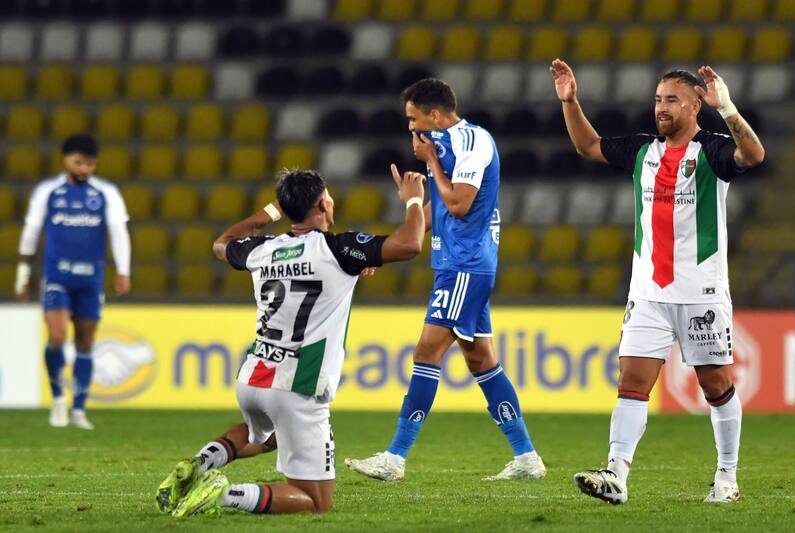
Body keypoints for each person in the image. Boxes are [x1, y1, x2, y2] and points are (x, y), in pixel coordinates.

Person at [550, 59, 765, 504]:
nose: (660, 108)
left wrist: (728, 109)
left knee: (716, 385)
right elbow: (588, 145)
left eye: (671, 100)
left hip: (700, 293)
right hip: (647, 292)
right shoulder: (642, 150)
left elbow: (755, 155)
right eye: (657, 100)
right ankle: (616, 474)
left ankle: (727, 477)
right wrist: (571, 101)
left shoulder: (714, 151)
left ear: (695, 104)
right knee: (632, 380)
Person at [158, 166, 427, 517]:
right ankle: (221, 495)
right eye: (327, 197)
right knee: (315, 500)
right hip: (298, 386)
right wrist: (414, 199)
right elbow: (409, 245)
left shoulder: (262, 249)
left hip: (254, 377)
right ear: (323, 206)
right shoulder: (339, 250)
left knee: (266, 437)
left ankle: (197, 465)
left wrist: (273, 211)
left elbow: (221, 244)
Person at [345, 78, 546, 482]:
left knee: (426, 353)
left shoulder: (472, 142)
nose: (410, 128)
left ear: (435, 115)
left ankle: (395, 458)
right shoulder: (452, 145)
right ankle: (527, 457)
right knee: (481, 360)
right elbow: (442, 204)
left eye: (413, 118)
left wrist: (431, 164)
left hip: (465, 266)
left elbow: (459, 203)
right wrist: (383, 246)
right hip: (460, 263)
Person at [15, 133, 131, 430]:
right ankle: (57, 399)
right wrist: (23, 274)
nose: (84, 169)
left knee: (85, 342)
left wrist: (123, 270)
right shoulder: (48, 192)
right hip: (57, 276)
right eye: (78, 162)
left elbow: (118, 232)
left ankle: (78, 409)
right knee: (56, 338)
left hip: (90, 279)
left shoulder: (105, 193)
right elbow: (31, 230)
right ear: (66, 160)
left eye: (89, 164)